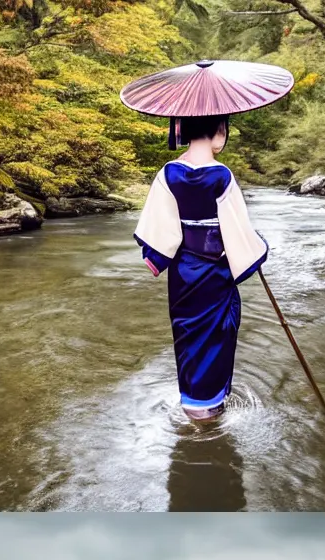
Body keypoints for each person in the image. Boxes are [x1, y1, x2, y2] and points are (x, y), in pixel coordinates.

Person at [133, 113, 269, 422]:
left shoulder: (168, 174)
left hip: (183, 270)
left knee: (187, 331)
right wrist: (254, 247)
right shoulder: (222, 176)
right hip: (216, 269)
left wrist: (158, 257)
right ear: (220, 130)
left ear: (181, 129)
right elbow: (238, 230)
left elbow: (160, 228)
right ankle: (212, 406)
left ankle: (191, 402)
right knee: (220, 331)